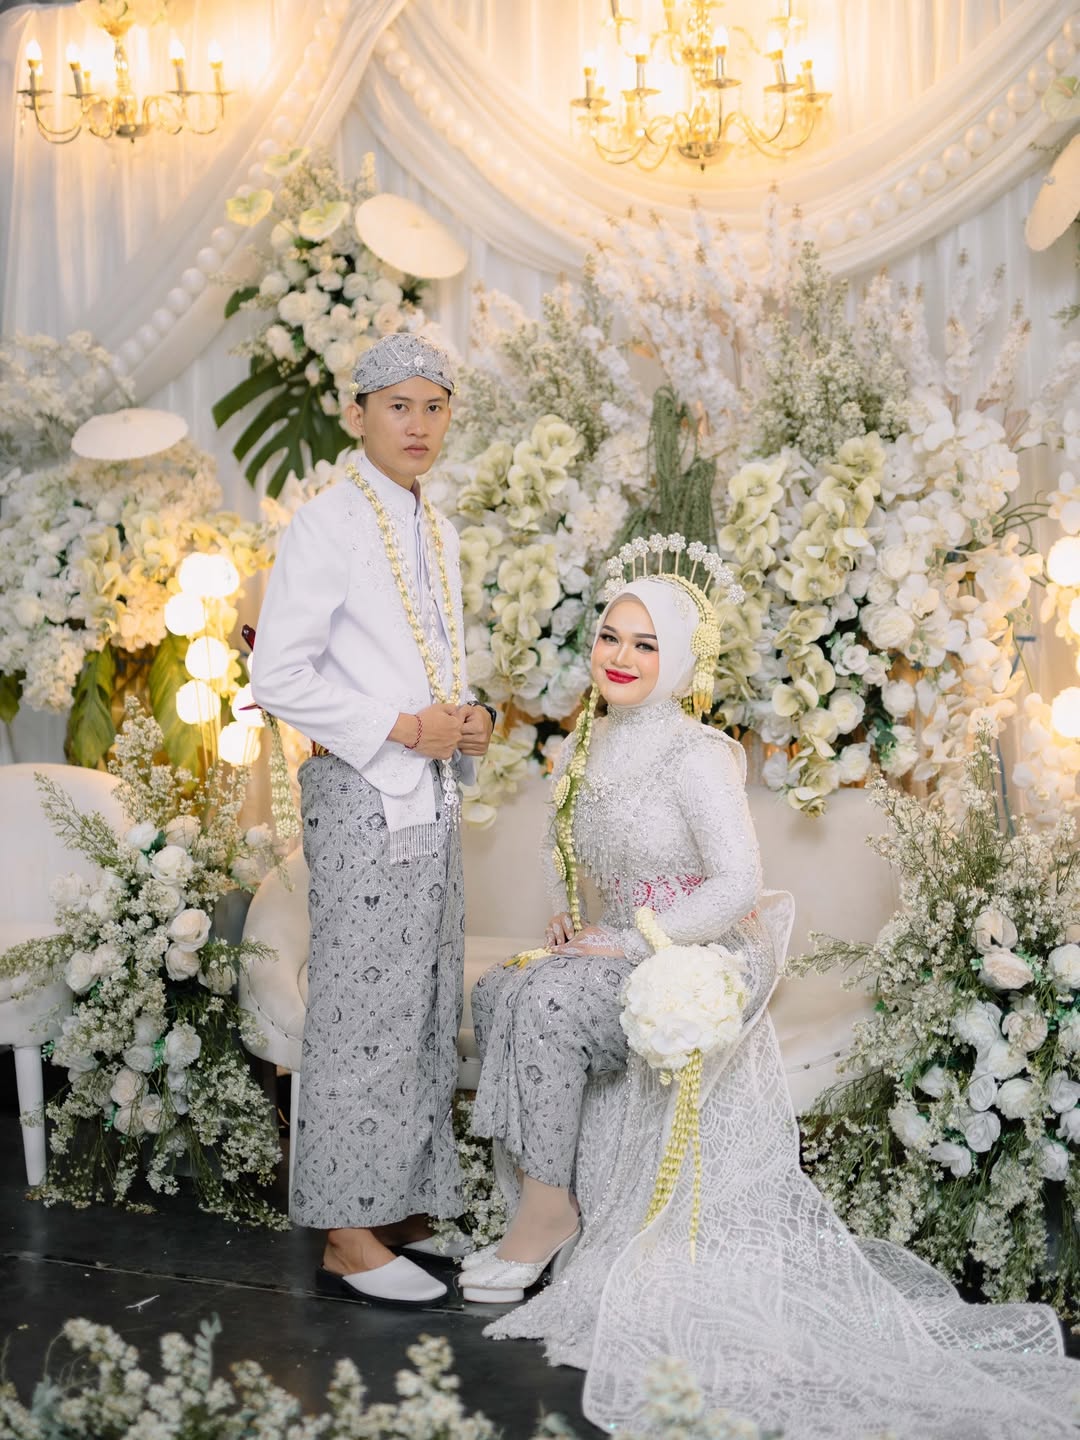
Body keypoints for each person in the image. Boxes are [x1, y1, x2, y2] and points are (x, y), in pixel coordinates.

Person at [462, 539, 1080, 1439]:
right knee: (500, 993)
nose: (621, 657)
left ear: (680, 659)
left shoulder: (697, 755)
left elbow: (735, 886)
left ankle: (548, 1216)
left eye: (645, 644)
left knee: (549, 1003)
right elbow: (585, 862)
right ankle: (536, 1192)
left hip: (706, 950)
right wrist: (571, 923)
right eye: (610, 637)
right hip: (630, 941)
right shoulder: (586, 746)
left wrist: (631, 938)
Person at [250, 333, 494, 1307]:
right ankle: (346, 1236)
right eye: (398, 405)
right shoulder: (326, 523)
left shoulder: (439, 527)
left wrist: (467, 721)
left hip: (429, 792)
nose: (418, 424)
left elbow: (428, 661)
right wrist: (402, 727)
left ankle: (397, 1209)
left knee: (423, 1005)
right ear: (357, 415)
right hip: (359, 796)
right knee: (359, 1012)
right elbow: (279, 675)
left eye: (434, 406)